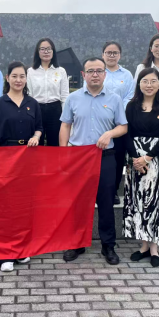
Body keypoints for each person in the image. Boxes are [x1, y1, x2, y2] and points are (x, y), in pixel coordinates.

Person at [60, 57, 128, 265]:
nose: (95, 74)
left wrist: (109, 134)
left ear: (105, 74)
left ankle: (108, 245)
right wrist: (63, 154)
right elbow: (65, 125)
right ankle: (77, 243)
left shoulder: (114, 99)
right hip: (78, 158)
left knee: (106, 202)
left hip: (104, 157)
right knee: (78, 202)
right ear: (83, 75)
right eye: (90, 71)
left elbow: (123, 126)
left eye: (99, 70)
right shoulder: (73, 98)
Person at [0, 61, 43, 272]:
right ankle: (3, 253)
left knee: (23, 206)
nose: (18, 80)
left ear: (26, 79)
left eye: (22, 76)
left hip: (27, 158)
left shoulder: (32, 103)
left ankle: (21, 249)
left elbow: (39, 127)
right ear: (7, 78)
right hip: (5, 158)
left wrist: (36, 137)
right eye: (14, 76)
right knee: (5, 206)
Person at [123, 68, 159, 268]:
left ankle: (154, 248)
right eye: (145, 81)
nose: (149, 85)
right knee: (139, 200)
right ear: (139, 84)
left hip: (157, 159)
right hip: (135, 158)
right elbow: (126, 133)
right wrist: (136, 159)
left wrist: (148, 157)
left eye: (153, 81)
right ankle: (143, 245)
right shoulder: (131, 106)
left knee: (156, 201)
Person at [101, 41, 135, 206]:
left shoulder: (126, 75)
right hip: (101, 119)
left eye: (115, 53)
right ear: (103, 55)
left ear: (120, 55)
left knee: (118, 156)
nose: (111, 55)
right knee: (102, 156)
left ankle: (113, 189)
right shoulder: (98, 72)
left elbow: (130, 95)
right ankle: (99, 189)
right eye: (108, 52)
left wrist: (117, 109)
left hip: (121, 120)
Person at [27, 38, 69, 146]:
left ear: (53, 51)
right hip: (37, 109)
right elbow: (29, 95)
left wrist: (65, 116)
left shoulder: (61, 71)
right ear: (38, 52)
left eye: (49, 49)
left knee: (55, 143)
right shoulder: (31, 71)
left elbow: (64, 96)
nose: (46, 52)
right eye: (42, 49)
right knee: (36, 143)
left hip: (55, 110)